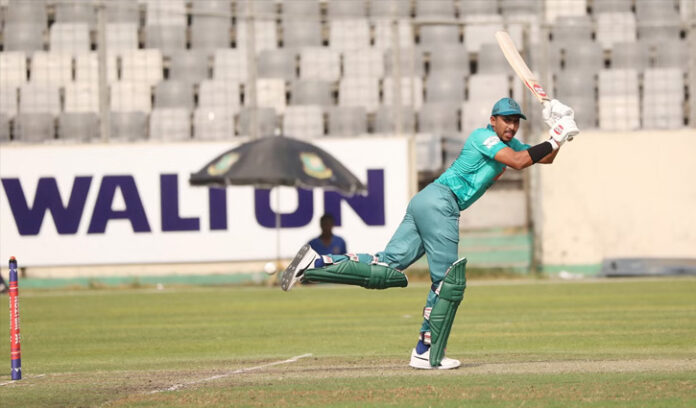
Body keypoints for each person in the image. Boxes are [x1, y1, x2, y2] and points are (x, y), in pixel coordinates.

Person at [280, 97, 579, 370]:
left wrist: (560, 135)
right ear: (493, 120)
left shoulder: (510, 143)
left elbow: (543, 158)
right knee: (449, 280)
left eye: (515, 122)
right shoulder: (483, 137)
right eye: (506, 120)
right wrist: (553, 137)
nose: (511, 126)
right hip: (442, 202)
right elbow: (519, 162)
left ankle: (315, 264)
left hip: (427, 200)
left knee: (387, 266)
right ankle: (427, 351)